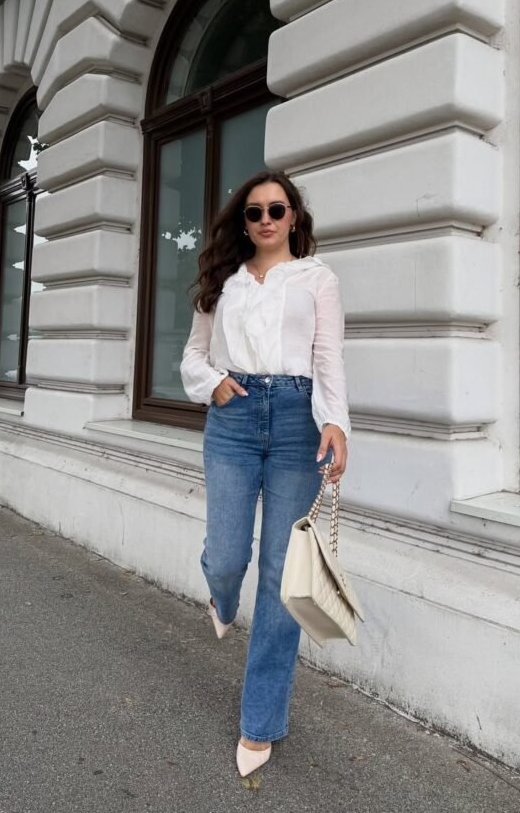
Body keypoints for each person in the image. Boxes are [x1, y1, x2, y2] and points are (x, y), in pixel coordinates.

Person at [180, 170, 350, 778]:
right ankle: (221, 599)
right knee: (227, 555)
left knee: (283, 574)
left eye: (277, 209)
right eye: (254, 212)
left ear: (294, 216)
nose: (267, 220)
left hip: (298, 422)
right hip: (233, 415)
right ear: (243, 222)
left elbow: (327, 357)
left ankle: (260, 720)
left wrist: (337, 423)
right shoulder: (221, 283)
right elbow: (192, 357)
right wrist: (213, 385)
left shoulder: (317, 279)